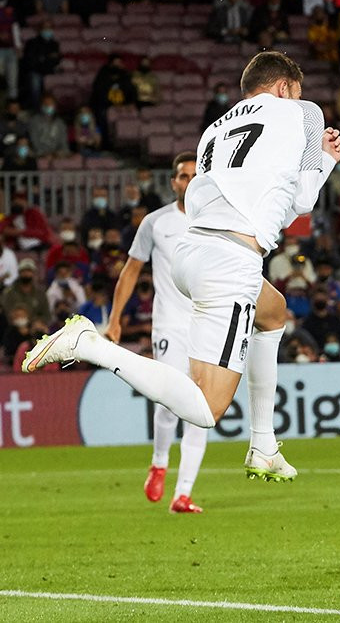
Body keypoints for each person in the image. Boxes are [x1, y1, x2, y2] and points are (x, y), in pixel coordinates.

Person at [25, 52, 340, 485]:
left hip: (191, 252)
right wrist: (324, 160)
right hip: (230, 262)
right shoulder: (297, 112)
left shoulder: (217, 127)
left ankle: (263, 443)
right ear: (285, 87)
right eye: (297, 92)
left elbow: (265, 205)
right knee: (206, 409)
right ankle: (89, 344)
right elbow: (301, 203)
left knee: (273, 311)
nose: (300, 100)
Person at [103, 152, 207, 513]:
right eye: (183, 176)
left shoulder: (219, 220)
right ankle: (159, 461)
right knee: (169, 401)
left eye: (196, 175)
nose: (189, 181)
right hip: (170, 324)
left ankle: (183, 494)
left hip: (209, 325)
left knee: (201, 407)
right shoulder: (155, 222)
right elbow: (131, 270)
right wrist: (115, 318)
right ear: (173, 182)